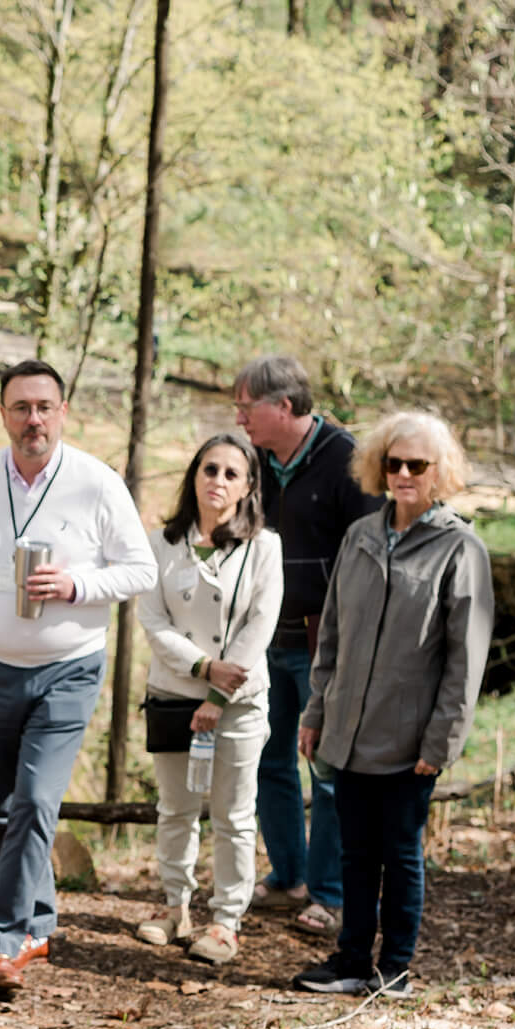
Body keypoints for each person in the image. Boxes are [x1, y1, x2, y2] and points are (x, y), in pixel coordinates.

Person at [0, 359, 156, 990]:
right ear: (3, 415)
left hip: (68, 670)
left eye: (44, 407)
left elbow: (141, 569)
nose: (33, 419)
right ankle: (39, 923)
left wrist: (77, 584)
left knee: (34, 802)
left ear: (63, 413)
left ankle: (0, 941)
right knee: (9, 811)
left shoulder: (96, 482)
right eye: (21, 407)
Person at [294, 412, 493, 997]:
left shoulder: (461, 548)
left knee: (400, 854)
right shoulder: (359, 535)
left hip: (410, 739)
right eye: (393, 462)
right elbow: (332, 635)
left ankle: (395, 969)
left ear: (439, 471)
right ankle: (351, 960)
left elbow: (465, 660)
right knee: (355, 852)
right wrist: (316, 712)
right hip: (348, 729)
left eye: (417, 464)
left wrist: (442, 741)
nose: (404, 473)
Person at [232, 355, 380, 941]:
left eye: (247, 407)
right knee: (270, 760)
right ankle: (288, 876)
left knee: (326, 766)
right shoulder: (254, 463)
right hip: (264, 637)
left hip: (325, 643)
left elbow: (370, 556)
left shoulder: (347, 461)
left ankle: (328, 894)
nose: (240, 419)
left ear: (285, 406)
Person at [132, 432, 284, 966]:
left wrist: (218, 691)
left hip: (238, 700)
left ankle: (226, 920)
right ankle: (174, 906)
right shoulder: (160, 543)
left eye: (231, 473)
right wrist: (200, 667)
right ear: (194, 476)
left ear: (247, 487)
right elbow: (152, 619)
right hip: (175, 694)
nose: (218, 480)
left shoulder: (264, 548)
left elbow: (260, 624)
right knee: (175, 808)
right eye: (209, 469)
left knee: (233, 814)